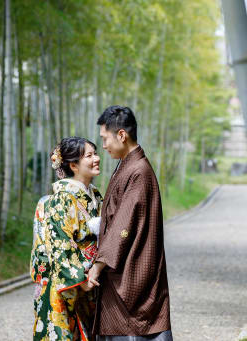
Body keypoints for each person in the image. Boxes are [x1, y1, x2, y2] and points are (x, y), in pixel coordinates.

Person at [88, 105, 172, 341]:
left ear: (122, 135)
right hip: (124, 265)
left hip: (132, 269)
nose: (103, 146)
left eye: (105, 139)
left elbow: (123, 226)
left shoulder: (138, 171)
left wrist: (99, 264)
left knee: (132, 330)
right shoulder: (129, 165)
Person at [30, 137, 103, 341]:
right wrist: (80, 279)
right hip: (65, 282)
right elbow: (60, 243)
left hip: (88, 276)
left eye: (95, 153)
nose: (97, 158)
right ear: (73, 165)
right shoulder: (62, 198)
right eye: (89, 155)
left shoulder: (94, 194)